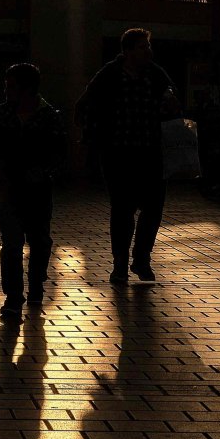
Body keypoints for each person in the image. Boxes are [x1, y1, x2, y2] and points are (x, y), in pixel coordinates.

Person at [75, 27, 179, 284]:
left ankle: (141, 258)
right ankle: (120, 263)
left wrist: (169, 101)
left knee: (153, 208)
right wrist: (92, 136)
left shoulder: (155, 74)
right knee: (122, 210)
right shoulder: (110, 74)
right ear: (128, 50)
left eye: (148, 46)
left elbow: (173, 100)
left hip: (151, 152)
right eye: (143, 47)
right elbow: (84, 104)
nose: (148, 51)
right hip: (118, 153)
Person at [0, 63, 65, 321]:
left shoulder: (49, 116)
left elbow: (59, 154)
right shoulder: (1, 114)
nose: (6, 91)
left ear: (28, 88)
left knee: (40, 241)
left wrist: (45, 172)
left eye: (11, 86)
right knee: (11, 243)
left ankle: (36, 284)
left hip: (38, 191)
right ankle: (13, 299)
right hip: (6, 188)